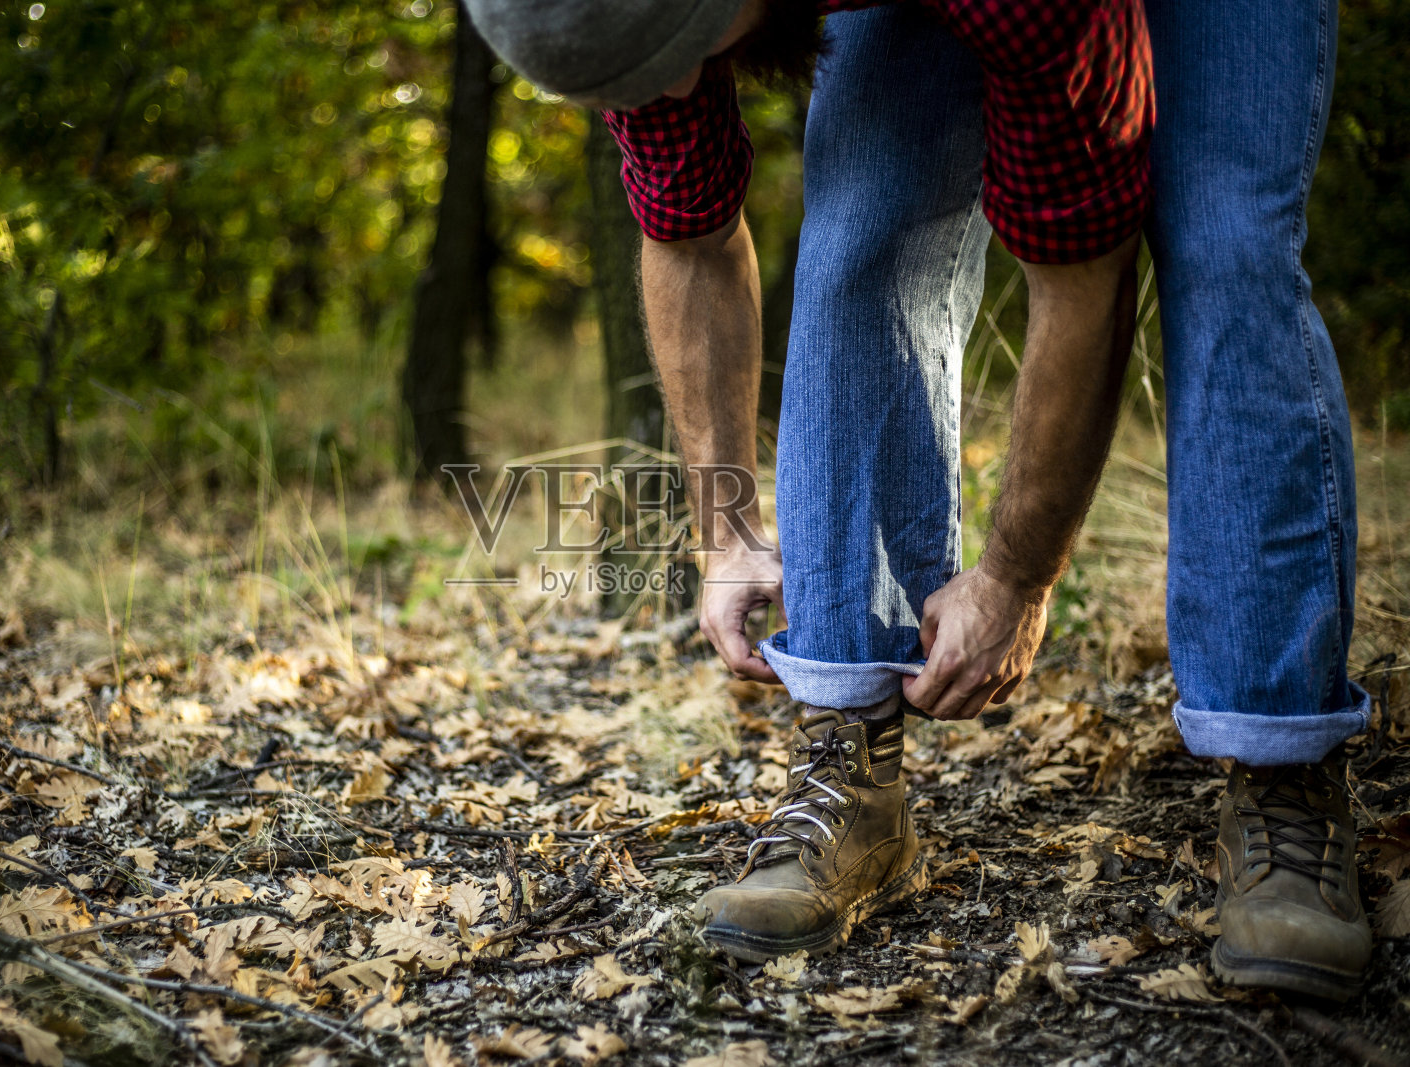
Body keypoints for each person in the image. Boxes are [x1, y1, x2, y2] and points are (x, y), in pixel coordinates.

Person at [465, 0, 1372, 1001]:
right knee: (865, 218)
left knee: (1225, 242)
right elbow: (686, 233)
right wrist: (721, 530)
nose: (678, 90)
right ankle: (848, 746)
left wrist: (1017, 579)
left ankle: (1284, 766)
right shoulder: (622, 25)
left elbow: (1082, 270)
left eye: (682, 62)